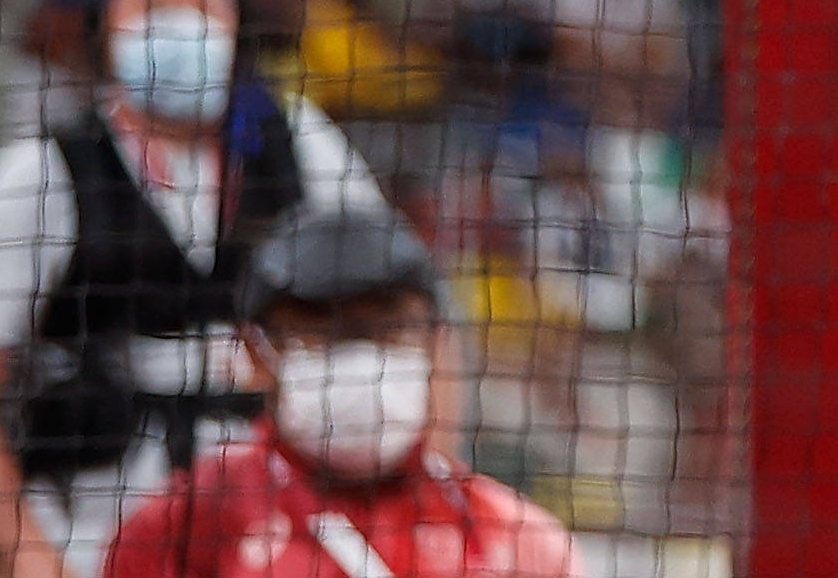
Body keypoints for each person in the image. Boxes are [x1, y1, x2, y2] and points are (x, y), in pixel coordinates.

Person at [0, 0, 389, 578]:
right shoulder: (42, 171)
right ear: (106, 20)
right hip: (90, 529)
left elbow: (412, 311)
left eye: (205, 1)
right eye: (154, 1)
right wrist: (38, 561)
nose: (184, 20)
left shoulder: (299, 144)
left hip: (272, 527)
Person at [102, 208, 582, 578]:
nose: (359, 359)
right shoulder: (190, 522)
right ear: (255, 353)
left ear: (437, 344)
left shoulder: (512, 539)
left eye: (386, 332)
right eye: (321, 334)